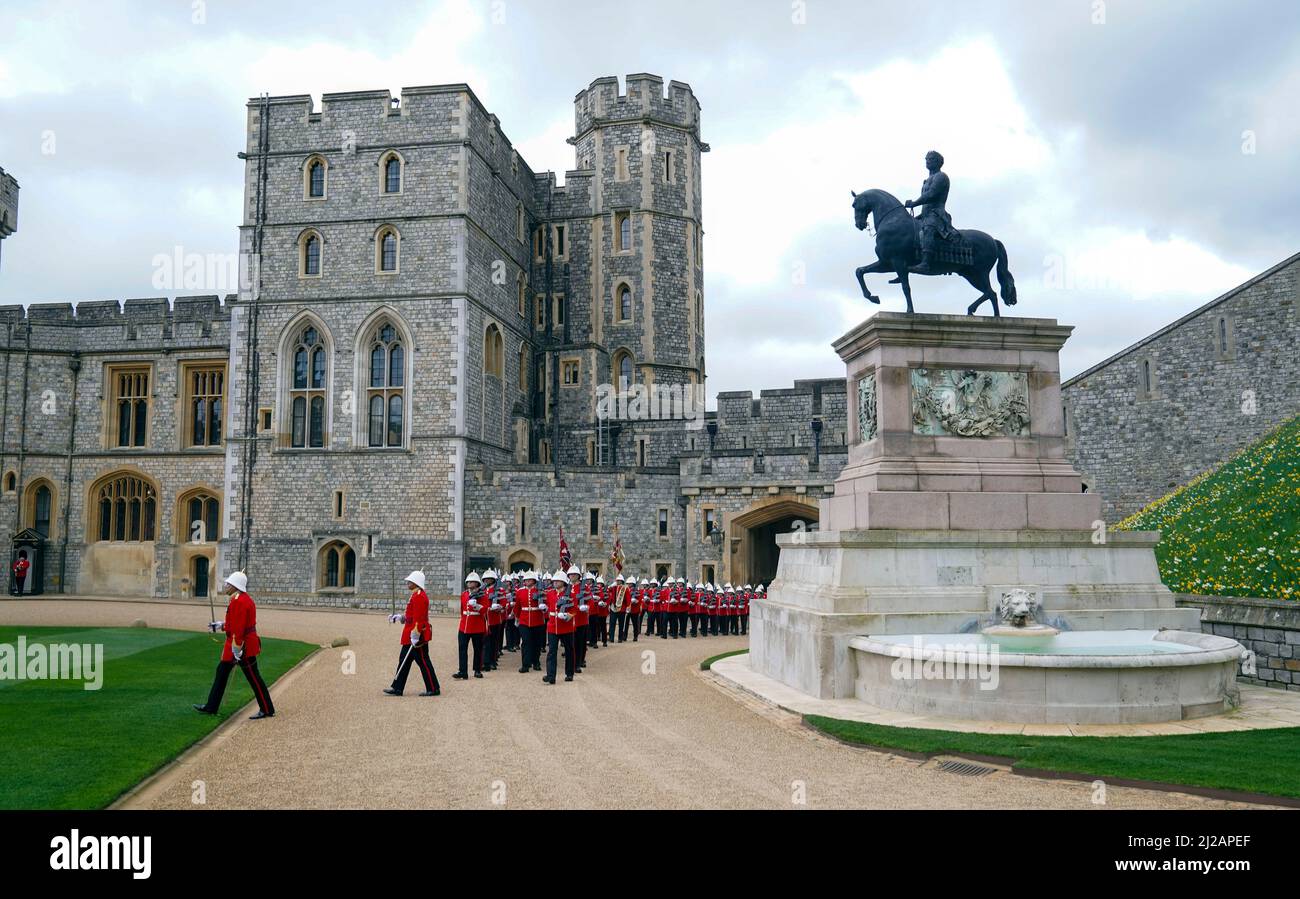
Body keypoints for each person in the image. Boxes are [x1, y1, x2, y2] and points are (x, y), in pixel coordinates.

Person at [193, 571, 275, 720]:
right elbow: (235, 623)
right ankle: (211, 706)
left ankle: (267, 709)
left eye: (229, 584)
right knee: (222, 672)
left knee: (254, 678)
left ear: (235, 586)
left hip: (242, 646)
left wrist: (237, 649)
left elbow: (239, 629)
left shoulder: (238, 601)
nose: (226, 586)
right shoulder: (239, 599)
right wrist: (221, 625)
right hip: (238, 645)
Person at [385, 570, 440, 697]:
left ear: (416, 583)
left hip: (416, 635)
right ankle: (397, 688)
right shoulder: (415, 595)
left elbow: (419, 618)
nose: (407, 583)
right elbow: (411, 615)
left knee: (423, 661)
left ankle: (433, 688)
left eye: (410, 581)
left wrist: (415, 634)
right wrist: (400, 618)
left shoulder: (420, 596)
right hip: (410, 633)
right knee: (403, 660)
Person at [906, 150, 956, 276]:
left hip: (936, 213)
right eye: (927, 159)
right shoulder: (927, 180)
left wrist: (914, 203)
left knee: (928, 229)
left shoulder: (941, 177)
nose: (928, 161)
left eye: (931, 159)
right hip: (925, 213)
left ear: (939, 162)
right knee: (908, 229)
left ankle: (926, 264)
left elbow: (931, 195)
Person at [543, 570, 576, 684]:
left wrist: (568, 615)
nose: (555, 583)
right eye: (554, 581)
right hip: (552, 625)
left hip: (565, 626)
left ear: (563, 582)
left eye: (558, 581)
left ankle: (569, 673)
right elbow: (548, 606)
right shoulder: (550, 593)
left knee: (569, 650)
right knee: (552, 651)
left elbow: (574, 609)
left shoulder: (570, 594)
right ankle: (551, 676)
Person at [453, 572, 488, 680]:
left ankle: (477, 670)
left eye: (472, 582)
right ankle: (463, 671)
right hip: (464, 625)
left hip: (477, 625)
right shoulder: (464, 594)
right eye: (468, 581)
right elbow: (462, 610)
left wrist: (476, 606)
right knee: (462, 649)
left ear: (477, 583)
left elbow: (485, 610)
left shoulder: (483, 595)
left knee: (477, 649)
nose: (469, 583)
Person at [516, 570, 545, 673]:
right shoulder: (520, 591)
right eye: (526, 580)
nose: (527, 582)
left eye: (529, 580)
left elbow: (545, 604)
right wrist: (517, 617)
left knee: (537, 643)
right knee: (526, 642)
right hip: (524, 620)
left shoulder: (540, 591)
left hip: (537, 619)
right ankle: (525, 664)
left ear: (534, 581)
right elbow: (517, 606)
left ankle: (536, 662)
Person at [482, 569, 504, 671]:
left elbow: (503, 603)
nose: (487, 580)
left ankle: (492, 661)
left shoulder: (499, 590)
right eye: (486, 578)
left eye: (489, 578)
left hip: (494, 619)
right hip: (484, 619)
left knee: (493, 642)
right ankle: (484, 661)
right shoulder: (481, 590)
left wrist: (498, 606)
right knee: (484, 642)